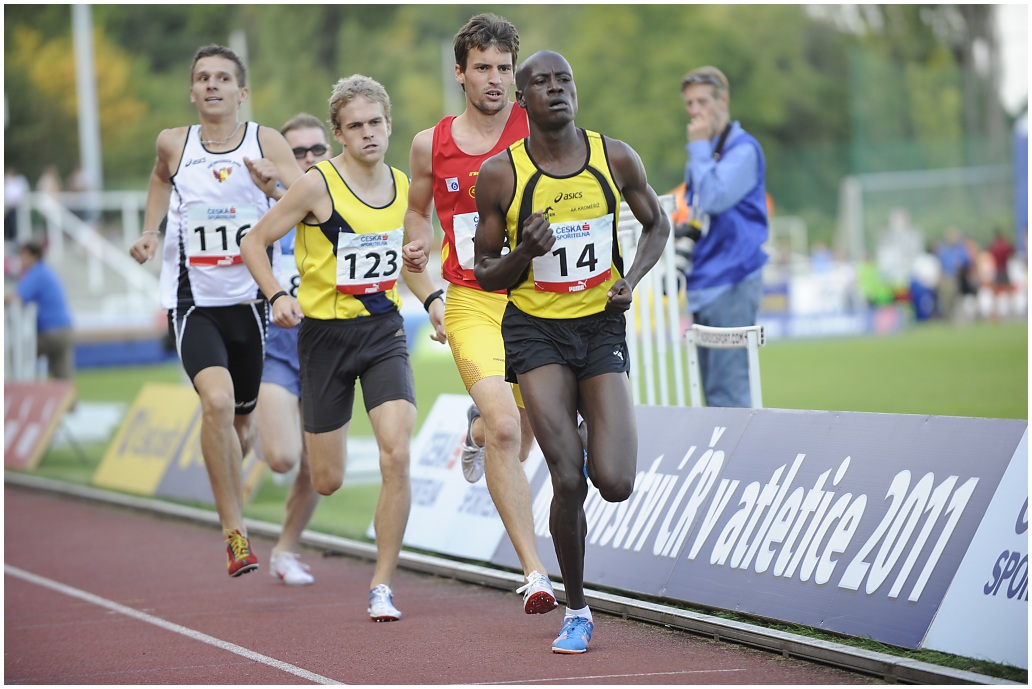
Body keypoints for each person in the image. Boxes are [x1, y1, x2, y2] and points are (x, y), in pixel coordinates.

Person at [473, 50, 671, 654]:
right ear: (522, 99)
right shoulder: (502, 175)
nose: (556, 88)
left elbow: (658, 224)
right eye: (542, 81)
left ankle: (582, 426)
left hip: (599, 327)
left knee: (614, 481)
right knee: (567, 475)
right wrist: (524, 253)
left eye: (564, 80)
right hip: (535, 332)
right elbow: (484, 272)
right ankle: (578, 610)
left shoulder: (615, 158)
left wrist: (630, 280)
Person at [241, 74, 416, 622]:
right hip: (322, 337)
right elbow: (254, 242)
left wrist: (433, 297)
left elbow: (411, 259)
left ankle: (382, 585)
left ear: (389, 124)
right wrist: (276, 295)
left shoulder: (405, 186)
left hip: (383, 332)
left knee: (396, 454)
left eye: (375, 122)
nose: (368, 133)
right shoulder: (316, 185)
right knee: (327, 479)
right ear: (339, 133)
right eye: (355, 126)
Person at [402, 13, 559, 618]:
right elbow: (416, 215)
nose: (494, 79)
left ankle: (474, 434)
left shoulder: (537, 127)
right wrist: (418, 252)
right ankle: (534, 572)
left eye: (503, 68)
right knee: (506, 427)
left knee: (521, 430)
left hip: (536, 299)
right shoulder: (430, 144)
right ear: (460, 73)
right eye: (483, 68)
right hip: (471, 299)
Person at [128, 44, 303, 578]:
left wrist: (272, 184)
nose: (211, 85)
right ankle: (235, 532)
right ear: (191, 91)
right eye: (202, 77)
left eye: (223, 78)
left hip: (250, 304)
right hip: (193, 303)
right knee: (218, 402)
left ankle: (232, 475)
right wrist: (150, 231)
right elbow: (160, 178)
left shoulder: (266, 141)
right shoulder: (173, 143)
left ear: (241, 92)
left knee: (241, 425)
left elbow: (307, 200)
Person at [255, 113, 335, 586]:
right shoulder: (266, 208)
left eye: (316, 150)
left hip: (327, 351)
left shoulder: (341, 202)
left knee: (318, 468)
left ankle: (285, 549)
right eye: (296, 152)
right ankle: (251, 420)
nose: (307, 159)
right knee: (283, 457)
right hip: (278, 351)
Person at [679, 65, 768, 407]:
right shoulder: (702, 151)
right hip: (704, 280)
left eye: (702, 101)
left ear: (723, 100)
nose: (695, 111)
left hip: (732, 278)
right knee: (713, 396)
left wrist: (699, 149)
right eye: (689, 103)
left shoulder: (743, 149)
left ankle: (744, 448)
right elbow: (698, 211)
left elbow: (714, 198)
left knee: (728, 396)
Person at [12, 240, 75, 380]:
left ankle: (15, 389)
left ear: (32, 255)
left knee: (15, 353)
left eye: (22, 255)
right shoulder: (46, 271)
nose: (20, 259)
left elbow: (17, 297)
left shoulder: (36, 274)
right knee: (63, 378)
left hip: (51, 332)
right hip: (65, 330)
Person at [5, 167, 30, 241]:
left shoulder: (20, 180)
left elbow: (22, 192)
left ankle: (15, 239)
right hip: (9, 207)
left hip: (17, 206)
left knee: (16, 223)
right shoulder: (7, 180)